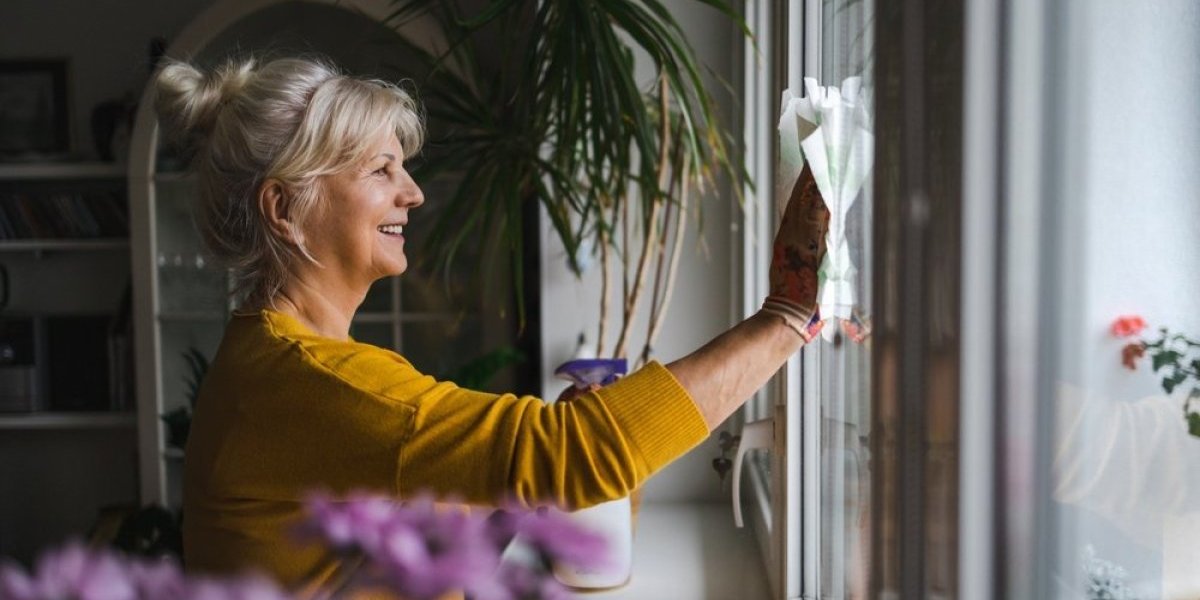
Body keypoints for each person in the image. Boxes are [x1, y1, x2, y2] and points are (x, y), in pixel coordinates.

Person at [153, 55, 829, 593]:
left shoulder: (276, 362)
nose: (412, 192)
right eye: (380, 169)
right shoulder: (314, 383)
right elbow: (571, 458)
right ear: (284, 206)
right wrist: (786, 315)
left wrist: (512, 486)